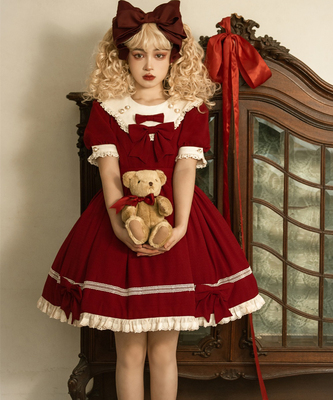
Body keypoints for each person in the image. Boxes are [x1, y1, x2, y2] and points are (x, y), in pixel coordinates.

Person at [37, 1, 265, 399]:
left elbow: (185, 170)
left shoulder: (189, 109)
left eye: (159, 55)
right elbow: (109, 173)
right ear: (122, 57)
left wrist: (181, 227)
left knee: (163, 351)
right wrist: (118, 228)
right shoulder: (107, 109)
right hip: (119, 222)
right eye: (139, 54)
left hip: (174, 221)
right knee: (128, 352)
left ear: (173, 58)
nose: (148, 65)